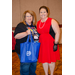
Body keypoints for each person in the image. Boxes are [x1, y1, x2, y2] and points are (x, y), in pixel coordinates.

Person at [36, 6, 60, 75]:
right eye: (41, 12)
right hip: (42, 44)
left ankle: (51, 74)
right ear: (39, 13)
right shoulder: (38, 23)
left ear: (47, 13)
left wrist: (56, 43)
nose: (42, 13)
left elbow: (57, 32)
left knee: (52, 60)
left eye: (44, 12)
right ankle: (46, 74)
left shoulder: (52, 21)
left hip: (51, 43)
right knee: (44, 60)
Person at [14, 10, 37, 75]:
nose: (29, 17)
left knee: (33, 65)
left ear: (33, 17)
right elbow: (16, 36)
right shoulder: (21, 25)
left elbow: (36, 37)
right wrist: (26, 33)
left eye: (30, 16)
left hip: (33, 50)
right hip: (23, 50)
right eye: (27, 16)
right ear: (24, 17)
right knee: (25, 66)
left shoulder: (34, 26)